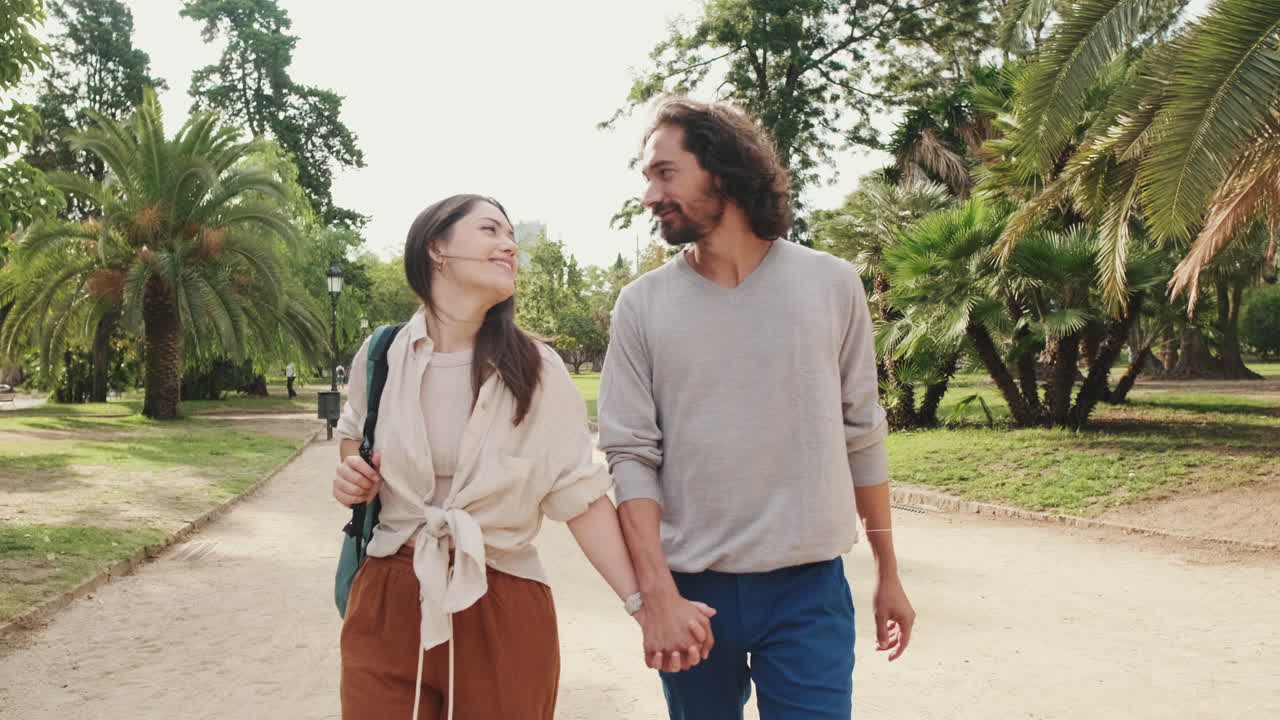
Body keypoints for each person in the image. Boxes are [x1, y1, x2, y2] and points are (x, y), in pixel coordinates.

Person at [331, 194, 713, 720]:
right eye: (490, 230)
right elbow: (355, 435)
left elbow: (580, 497)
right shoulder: (382, 354)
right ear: (436, 246)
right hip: (388, 594)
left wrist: (643, 604)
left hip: (501, 599)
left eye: (510, 236)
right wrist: (353, 472)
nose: (508, 244)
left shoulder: (537, 370)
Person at [599, 97, 916, 720]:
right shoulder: (641, 306)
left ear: (720, 168)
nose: (649, 195)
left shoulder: (832, 284)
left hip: (809, 591)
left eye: (665, 173)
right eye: (646, 178)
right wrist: (657, 598)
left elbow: (863, 433)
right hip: (692, 592)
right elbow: (630, 457)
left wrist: (888, 570)